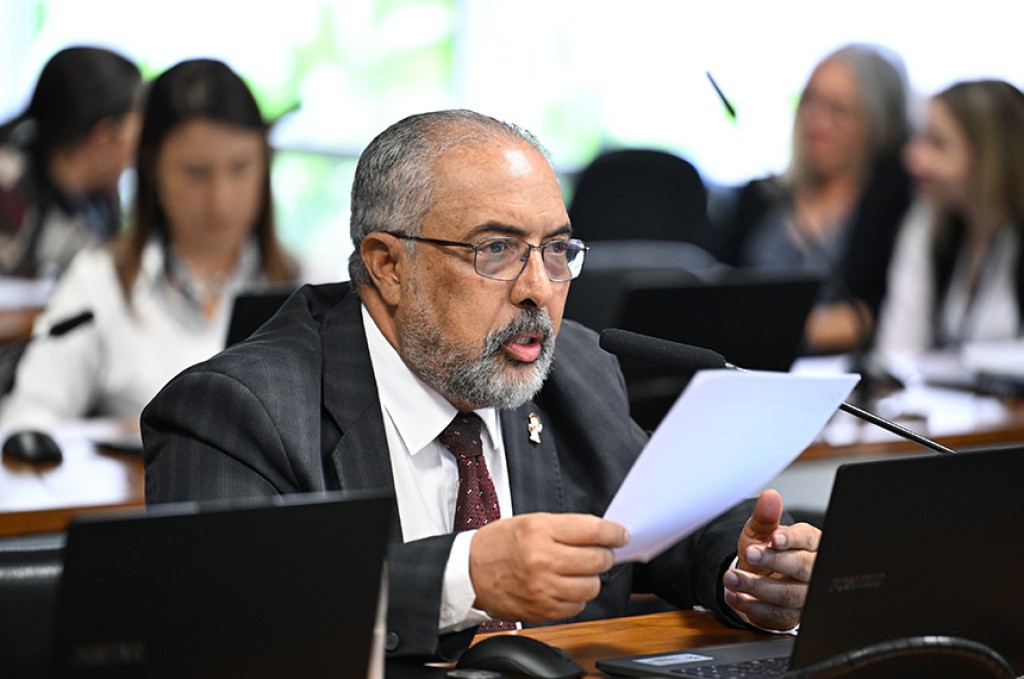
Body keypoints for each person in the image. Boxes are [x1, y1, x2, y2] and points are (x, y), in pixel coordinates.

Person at [141, 109, 820, 661]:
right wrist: (462, 577)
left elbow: (676, 524)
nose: (538, 289)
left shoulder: (575, 369)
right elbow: (222, 622)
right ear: (388, 265)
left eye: (557, 250)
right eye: (496, 250)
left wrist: (749, 571)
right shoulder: (235, 408)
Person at [0, 58, 298, 432]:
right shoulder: (99, 280)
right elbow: (28, 418)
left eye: (240, 168)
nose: (220, 200)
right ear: (152, 167)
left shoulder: (309, 284)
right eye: (196, 173)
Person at [715, 44, 914, 354]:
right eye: (811, 101)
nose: (817, 120)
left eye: (838, 109)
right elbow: (718, 288)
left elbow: (876, 314)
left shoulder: (893, 204)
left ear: (878, 121)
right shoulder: (760, 195)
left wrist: (767, 324)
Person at [875, 80, 1024, 356]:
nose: (913, 157)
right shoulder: (930, 225)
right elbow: (898, 349)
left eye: (938, 144)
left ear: (991, 156)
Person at [0, 46, 142, 279]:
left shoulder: (102, 200)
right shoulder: (10, 183)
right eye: (137, 129)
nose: (141, 148)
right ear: (103, 139)